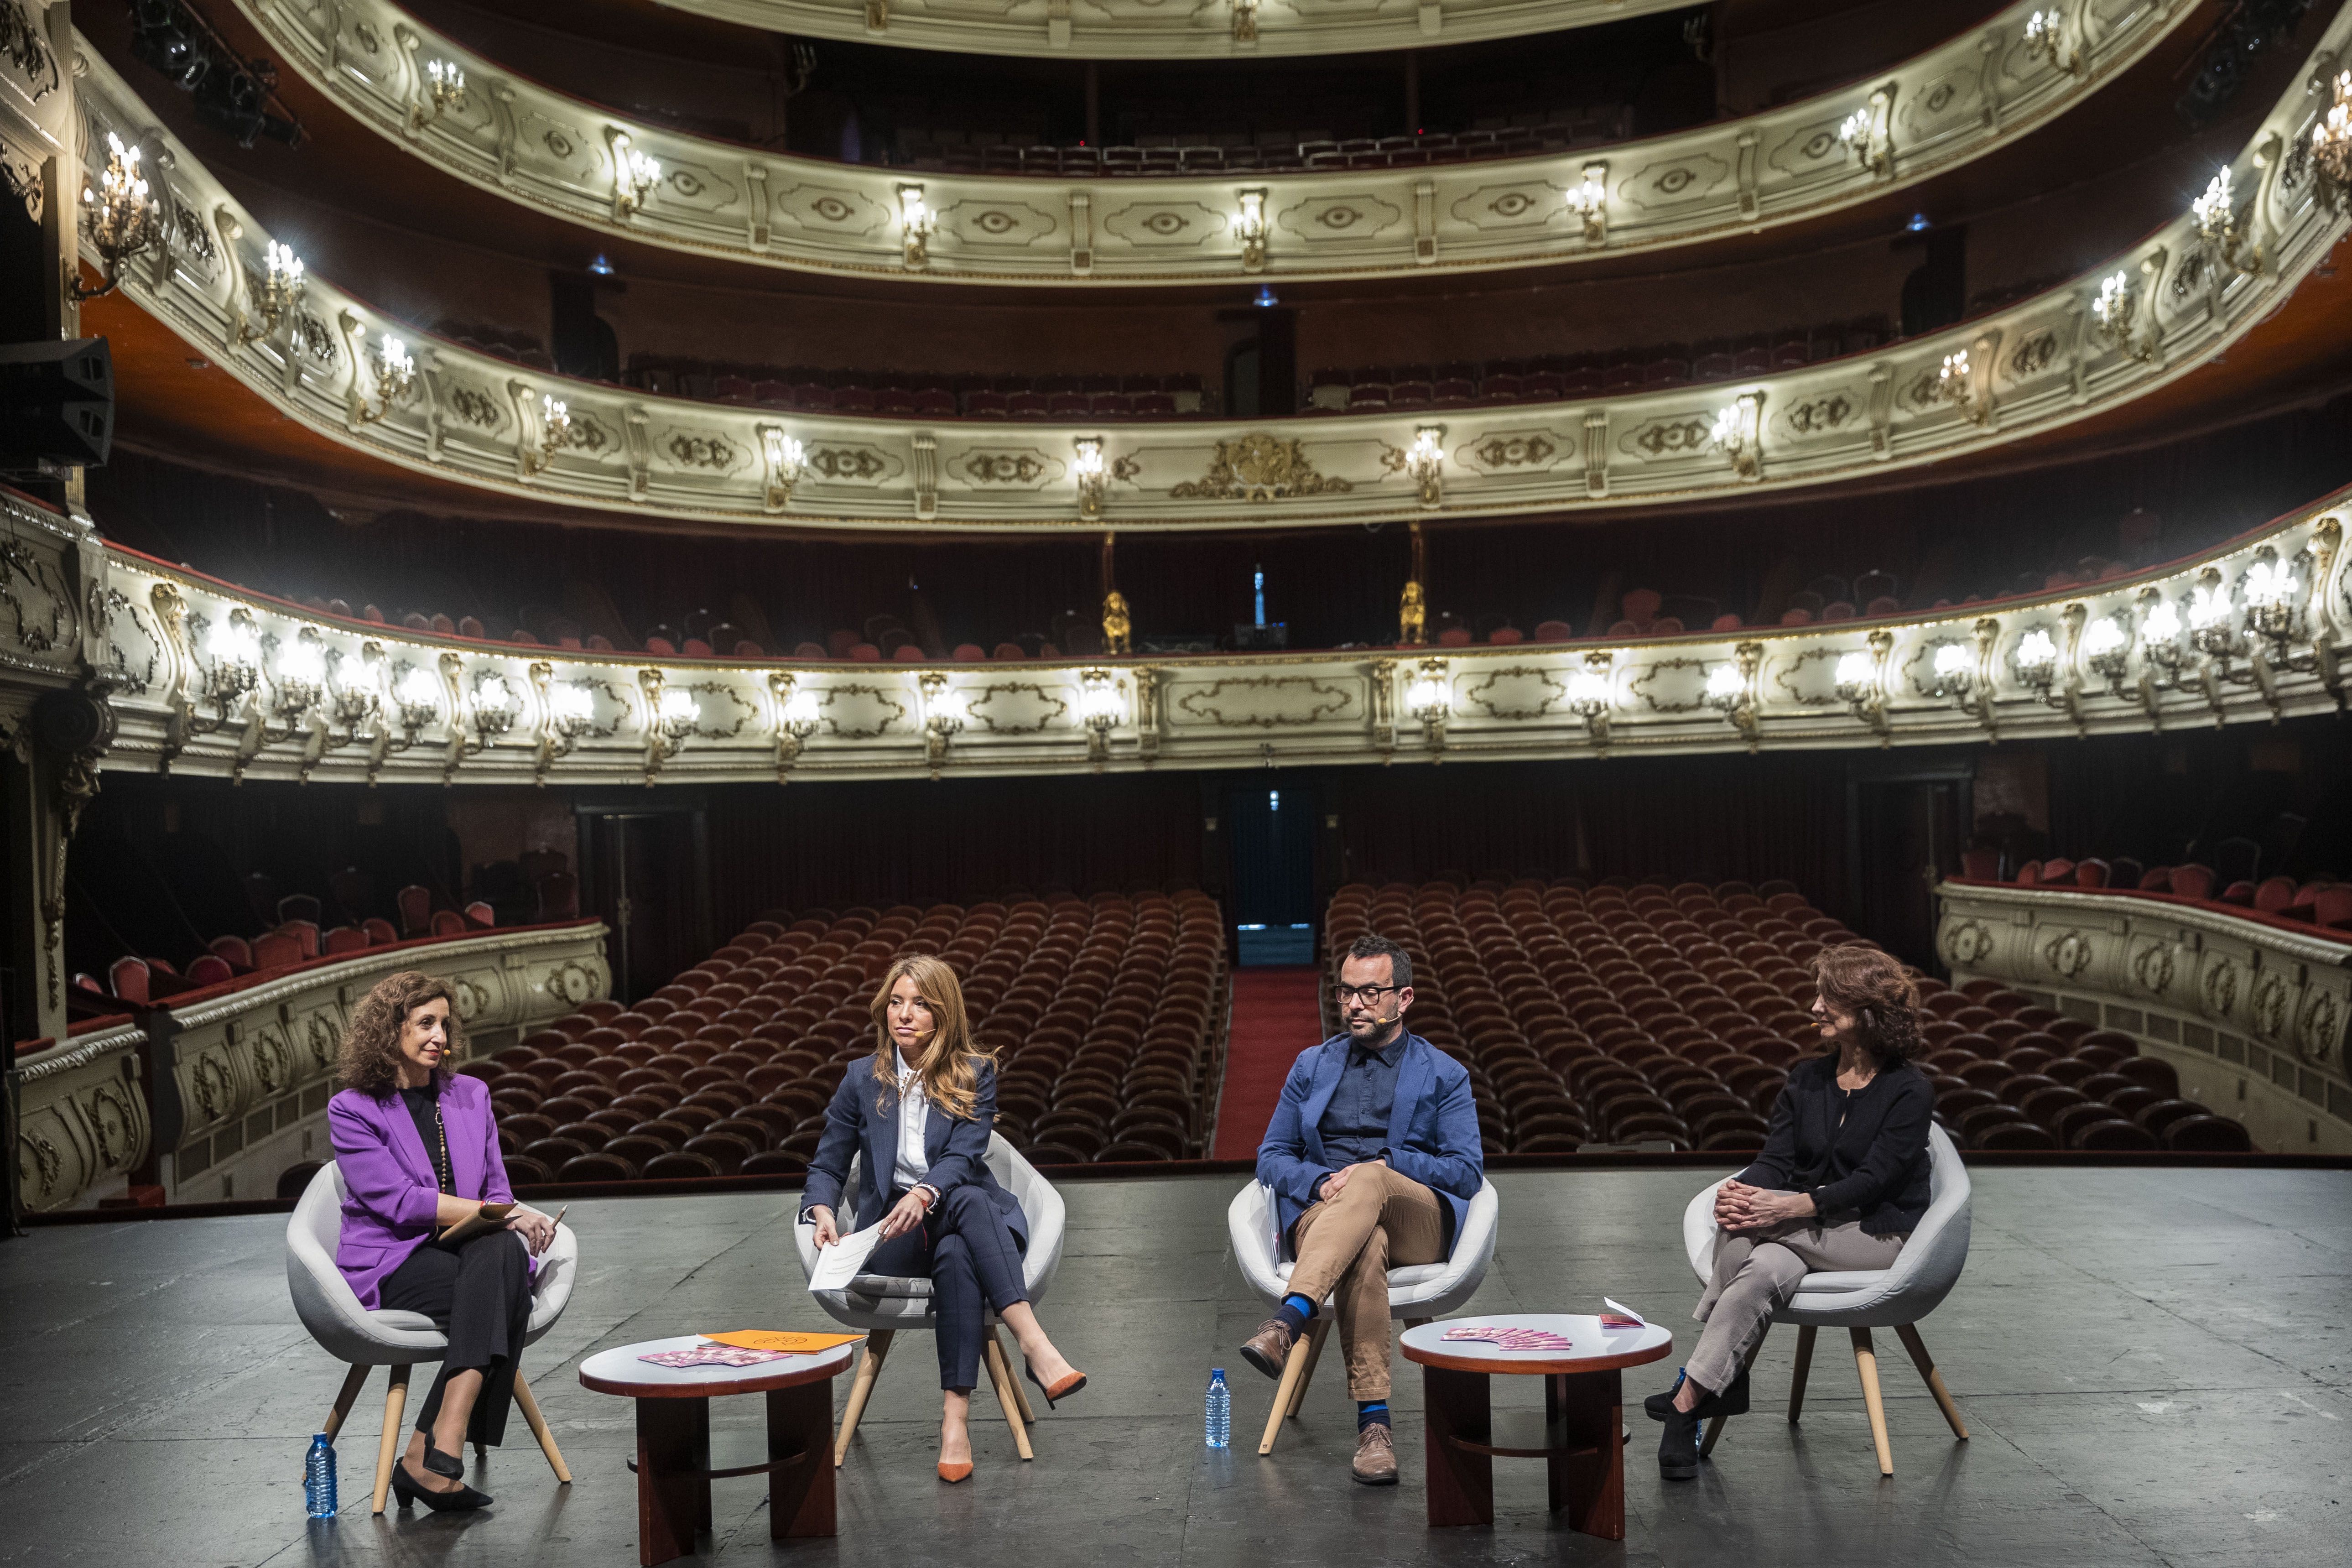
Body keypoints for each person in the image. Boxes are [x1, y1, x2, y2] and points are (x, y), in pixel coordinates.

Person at [1651, 943, 1933, 1479]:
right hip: (1806, 1231)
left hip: (1873, 1231)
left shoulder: (1909, 1089)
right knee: (1757, 1260)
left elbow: (1878, 1178)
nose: (1813, 1007)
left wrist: (1793, 1205)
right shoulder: (1807, 1079)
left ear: (1867, 1008)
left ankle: (1694, 1385)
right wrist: (1739, 1190)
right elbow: (1775, 1159)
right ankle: (1695, 1398)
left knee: (1759, 1230)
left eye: (1827, 996)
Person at [802, 953, 1088, 1483]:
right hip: (895, 1234)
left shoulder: (974, 1073)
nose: (904, 1013)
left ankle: (954, 1422)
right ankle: (1033, 1341)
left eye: (920, 1004)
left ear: (943, 1014)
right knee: (967, 1206)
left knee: (958, 1242)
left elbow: (963, 1155)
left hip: (959, 1220)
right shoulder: (860, 1078)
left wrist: (927, 1191)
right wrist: (821, 1209)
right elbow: (827, 1161)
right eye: (896, 1001)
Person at [1243, 933, 1484, 1485]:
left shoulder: (1444, 1073)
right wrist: (1324, 1180)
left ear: (1404, 998)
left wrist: (1384, 1165)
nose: (1354, 1003)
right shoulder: (1311, 1065)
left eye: (1370, 992)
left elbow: (1466, 1172)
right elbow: (1272, 1157)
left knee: (1373, 1181)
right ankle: (1373, 1428)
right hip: (1328, 1214)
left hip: (1414, 1218)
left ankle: (1287, 1320)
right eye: (1347, 991)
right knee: (1364, 1243)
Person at [328, 970, 560, 1513]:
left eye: (444, 1024)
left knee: (500, 1253)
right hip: (392, 1256)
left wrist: (501, 1213)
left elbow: (497, 1186)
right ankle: (437, 1445)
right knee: (506, 1291)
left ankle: (428, 1448)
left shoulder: (471, 1095)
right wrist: (497, 1213)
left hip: (466, 1251)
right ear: (389, 1031)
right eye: (425, 1023)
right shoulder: (353, 1108)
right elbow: (399, 1201)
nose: (439, 1036)